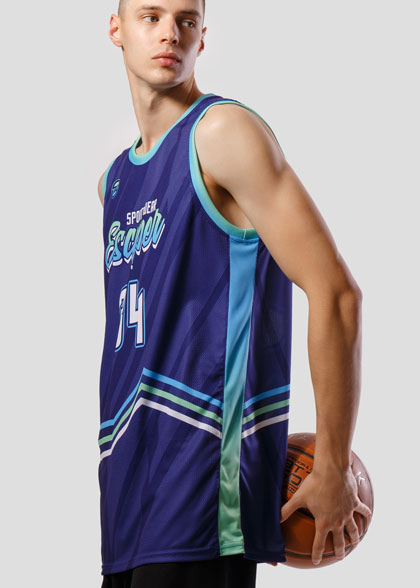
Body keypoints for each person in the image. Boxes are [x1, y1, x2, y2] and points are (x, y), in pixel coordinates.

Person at [97, 0, 372, 586]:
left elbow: (337, 293)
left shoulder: (222, 134)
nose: (170, 33)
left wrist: (330, 466)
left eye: (186, 20)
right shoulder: (114, 182)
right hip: (126, 502)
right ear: (116, 28)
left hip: (202, 494)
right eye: (150, 16)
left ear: (202, 35)